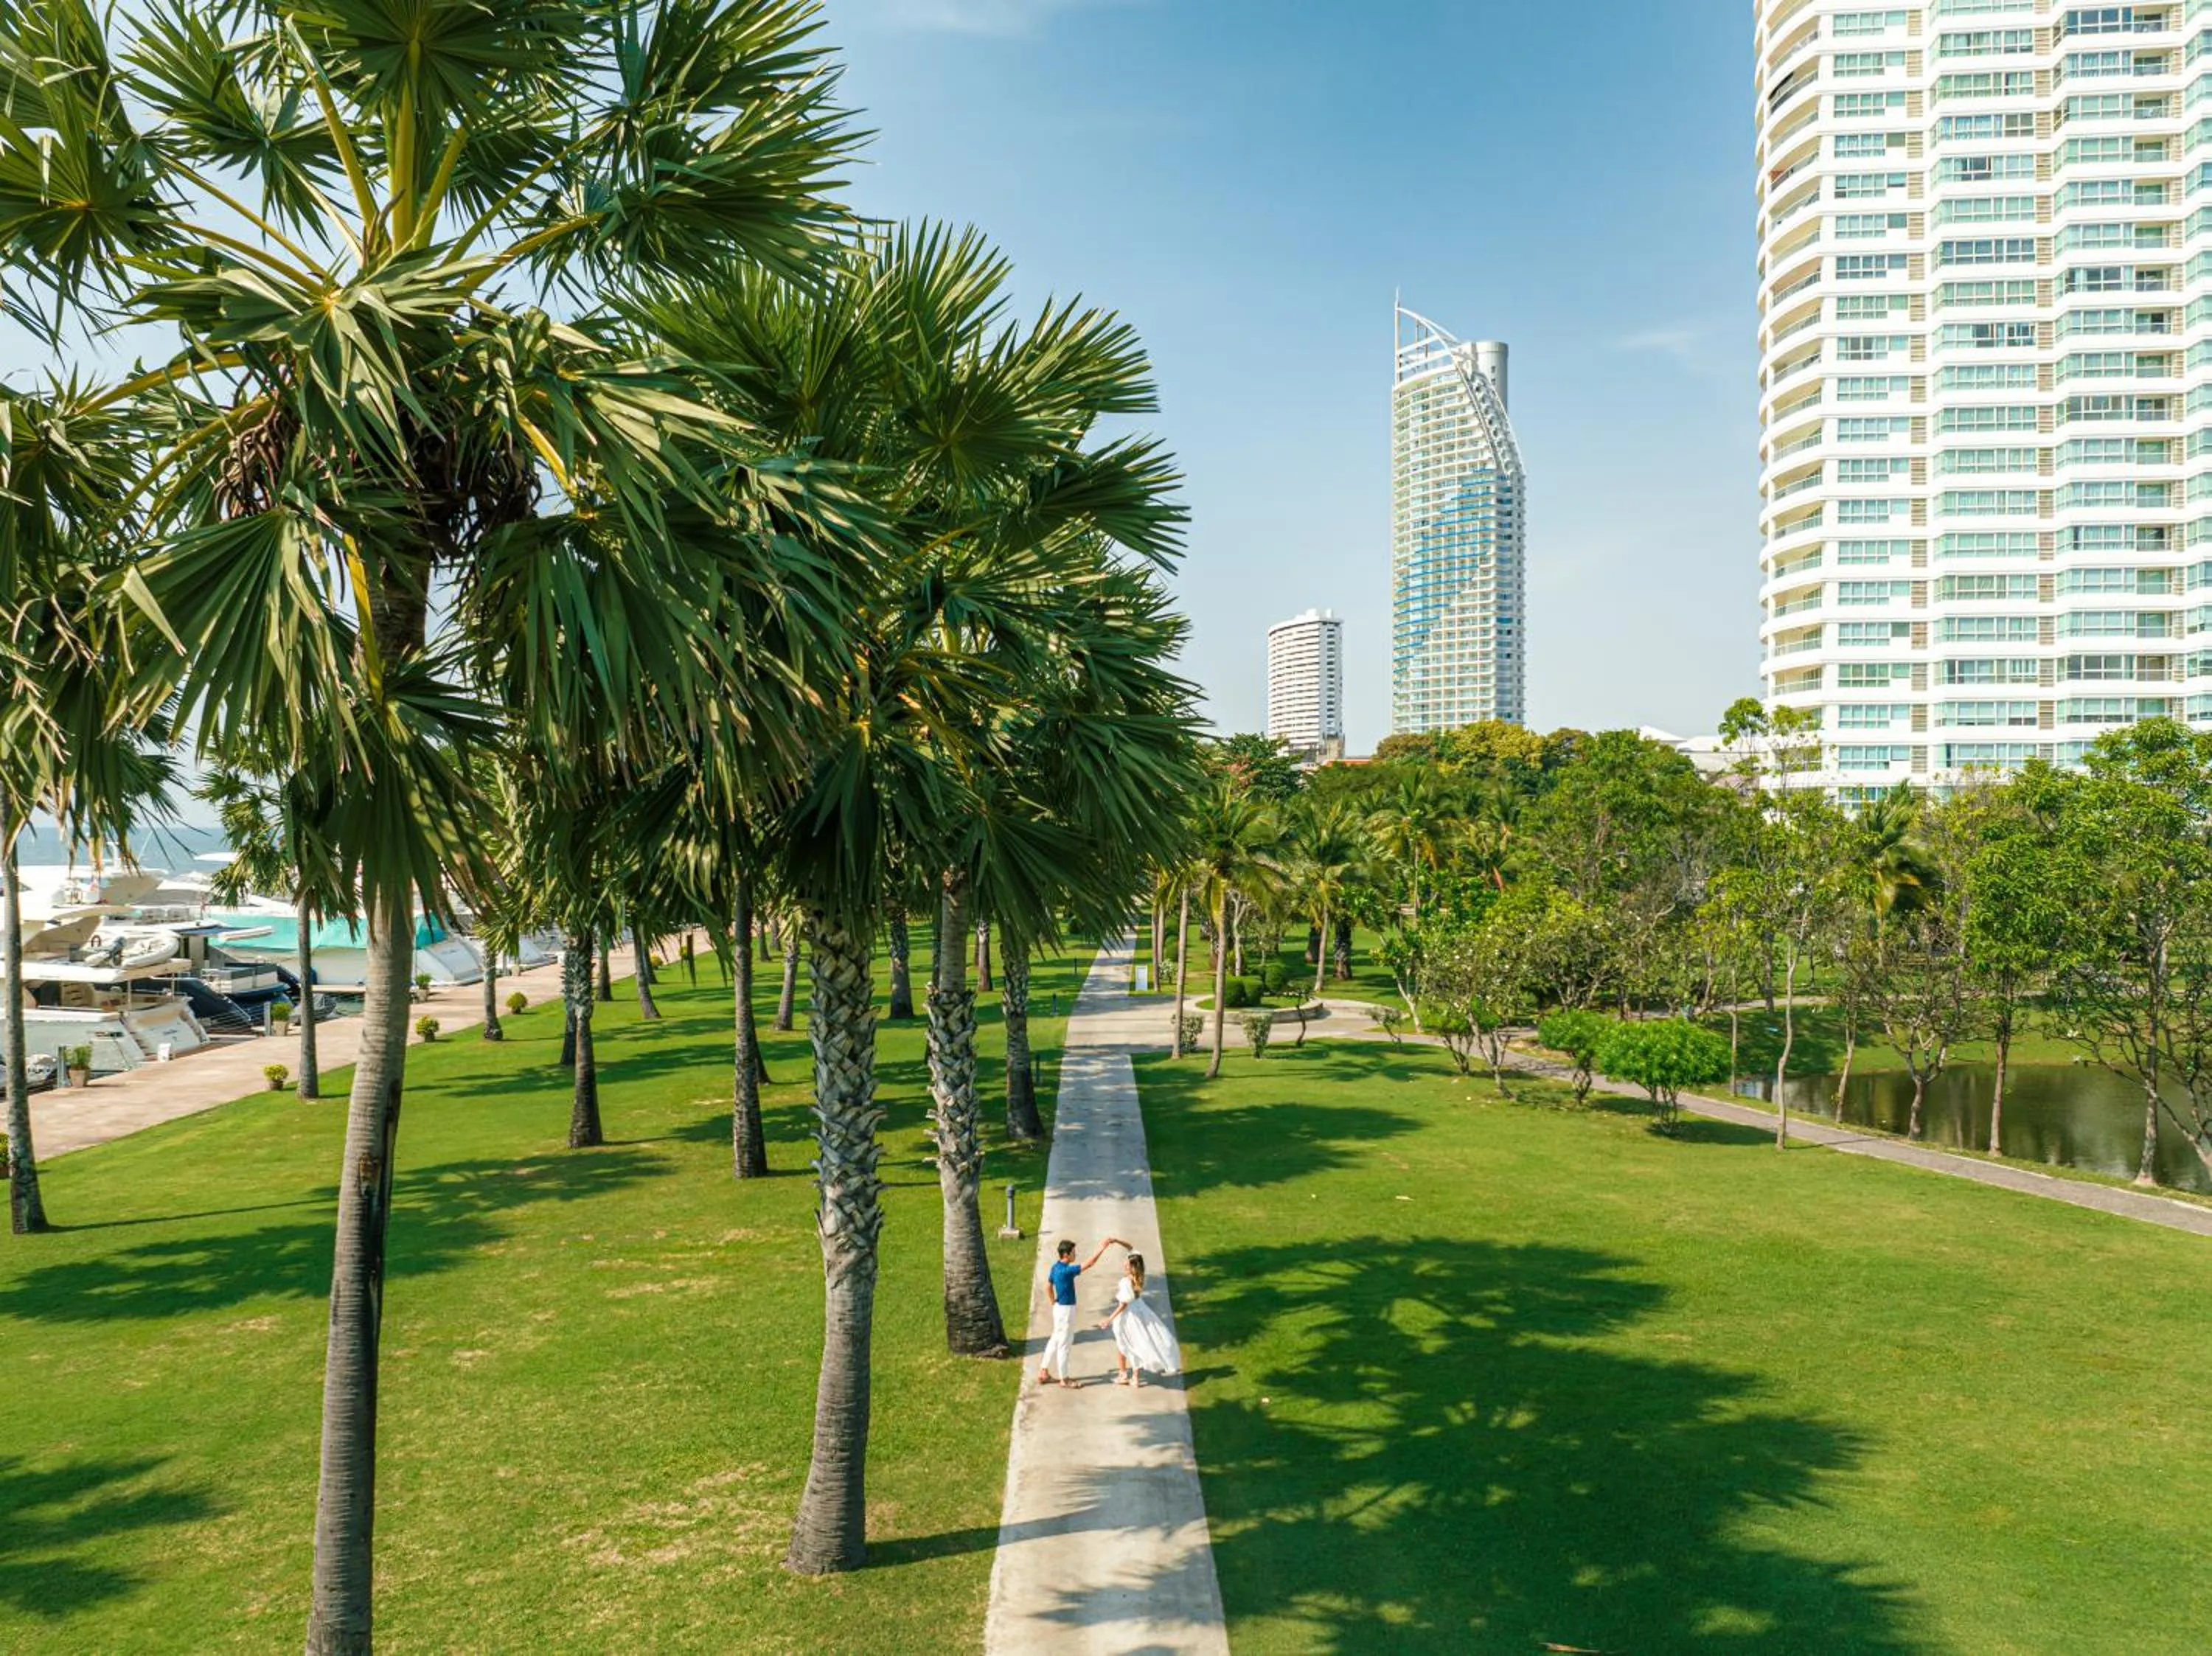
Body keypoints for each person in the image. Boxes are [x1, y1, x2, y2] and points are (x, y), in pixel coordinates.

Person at [1039, 1234, 1125, 1388]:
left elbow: (1048, 1286)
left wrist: (1053, 1303)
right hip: (1066, 1311)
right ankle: (1064, 1379)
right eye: (1073, 1252)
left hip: (1058, 1308)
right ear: (1066, 1255)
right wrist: (1103, 1247)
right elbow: (1090, 1263)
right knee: (1064, 1344)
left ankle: (1043, 1372)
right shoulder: (1067, 1271)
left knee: (1055, 1339)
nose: (1075, 1255)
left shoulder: (1055, 1267)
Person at [1099, 1252, 1181, 1388]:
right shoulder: (1139, 1277)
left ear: (1132, 1267)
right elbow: (1132, 1250)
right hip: (1140, 1311)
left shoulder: (1126, 1282)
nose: (1124, 1263)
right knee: (1135, 1344)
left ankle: (1123, 1374)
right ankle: (1134, 1378)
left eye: (1127, 1262)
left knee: (1123, 1344)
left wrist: (1109, 1319)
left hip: (1128, 1315)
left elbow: (1123, 1304)